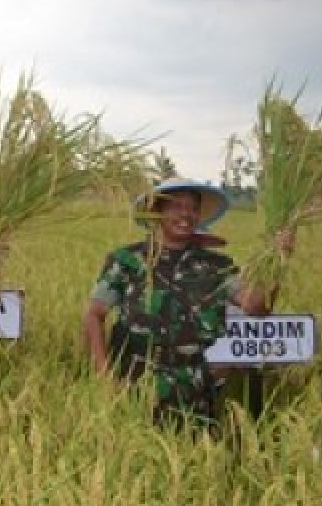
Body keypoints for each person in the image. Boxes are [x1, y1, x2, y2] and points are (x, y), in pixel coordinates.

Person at [84, 177, 295, 426]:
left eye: (193, 208)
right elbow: (94, 315)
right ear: (157, 212)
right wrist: (104, 375)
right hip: (136, 382)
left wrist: (276, 260)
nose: (186, 214)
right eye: (177, 206)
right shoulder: (127, 260)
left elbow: (256, 307)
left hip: (198, 386)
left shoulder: (217, 267)